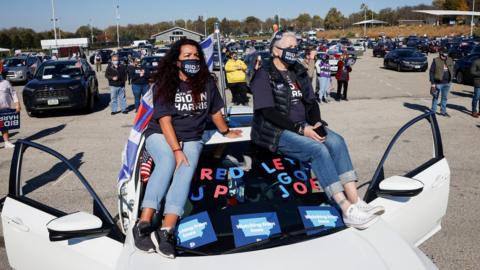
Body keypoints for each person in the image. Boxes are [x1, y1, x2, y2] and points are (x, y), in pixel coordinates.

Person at [250, 31, 384, 230]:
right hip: (275, 131)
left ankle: (356, 201)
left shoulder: (298, 70)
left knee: (337, 141)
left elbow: (311, 103)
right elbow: (268, 112)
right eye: (289, 47)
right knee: (317, 150)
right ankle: (346, 209)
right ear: (276, 50)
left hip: (305, 125)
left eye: (296, 47)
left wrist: (316, 124)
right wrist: (301, 129)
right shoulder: (263, 74)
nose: (294, 51)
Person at [133, 39, 242, 258]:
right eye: (187, 56)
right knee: (167, 162)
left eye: (195, 56)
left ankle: (166, 230)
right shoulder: (165, 83)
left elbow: (215, 112)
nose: (192, 59)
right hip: (161, 134)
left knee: (185, 169)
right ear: (176, 61)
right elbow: (164, 121)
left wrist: (226, 131)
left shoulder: (207, 82)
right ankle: (143, 223)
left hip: (193, 136)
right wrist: (176, 149)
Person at [429, 50, 453, 117]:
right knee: (435, 97)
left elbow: (453, 69)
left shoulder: (450, 60)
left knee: (444, 98)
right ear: (440, 54)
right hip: (438, 83)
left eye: (445, 56)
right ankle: (433, 112)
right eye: (443, 56)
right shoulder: (436, 60)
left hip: (447, 83)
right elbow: (431, 72)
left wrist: (451, 78)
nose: (444, 57)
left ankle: (443, 111)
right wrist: (433, 83)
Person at [0, 73, 20, 149]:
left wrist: (17, 104)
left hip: (5, 108)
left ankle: (6, 142)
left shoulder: (6, 83)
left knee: (4, 126)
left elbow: (13, 93)